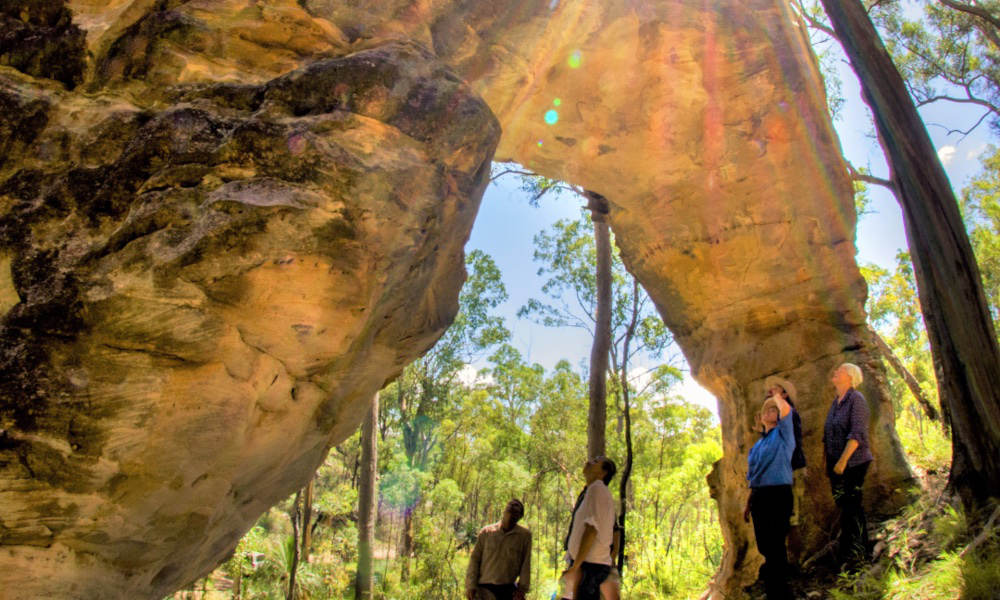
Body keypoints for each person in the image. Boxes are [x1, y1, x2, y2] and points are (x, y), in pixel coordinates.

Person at [743, 384, 795, 600]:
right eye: (765, 410)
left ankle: (781, 593)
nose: (769, 412)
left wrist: (776, 396)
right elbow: (753, 477)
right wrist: (748, 503)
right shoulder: (758, 445)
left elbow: (786, 412)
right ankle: (775, 591)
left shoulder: (783, 434)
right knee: (765, 546)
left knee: (775, 545)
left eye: (773, 409)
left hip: (778, 495)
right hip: (759, 497)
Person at [823, 362, 874, 569]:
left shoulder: (856, 399)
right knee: (844, 506)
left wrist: (843, 461)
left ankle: (863, 552)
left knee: (853, 505)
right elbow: (828, 435)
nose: (836, 371)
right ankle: (849, 553)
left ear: (851, 377)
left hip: (854, 462)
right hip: (836, 466)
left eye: (840, 369)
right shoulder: (836, 403)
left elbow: (857, 433)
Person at [561, 456, 619, 600]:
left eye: (595, 462)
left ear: (603, 473)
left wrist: (575, 568)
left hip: (589, 567)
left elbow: (591, 530)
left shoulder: (597, 488)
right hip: (587, 565)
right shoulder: (592, 491)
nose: (589, 461)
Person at [465, 499, 532, 600]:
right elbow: (475, 560)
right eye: (510, 507)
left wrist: (521, 589)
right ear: (504, 511)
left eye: (516, 510)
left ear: (519, 517)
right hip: (484, 589)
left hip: (508, 589)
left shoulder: (524, 536)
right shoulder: (487, 532)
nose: (512, 509)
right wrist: (471, 585)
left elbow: (526, 564)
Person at [763, 376, 807, 527]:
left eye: (775, 389)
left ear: (785, 395)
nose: (770, 391)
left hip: (793, 470)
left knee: (792, 519)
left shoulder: (789, 413)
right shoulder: (777, 418)